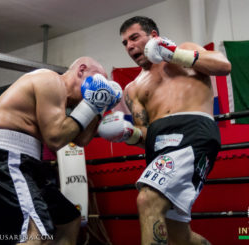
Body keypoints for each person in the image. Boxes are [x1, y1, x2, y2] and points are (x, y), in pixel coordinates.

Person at [98, 16, 231, 244]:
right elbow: (146, 135)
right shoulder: (132, 89)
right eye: (125, 43)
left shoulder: (185, 52)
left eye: (134, 37)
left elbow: (223, 66)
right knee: (179, 236)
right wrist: (128, 134)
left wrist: (174, 54)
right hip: (159, 147)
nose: (129, 46)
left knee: (147, 200)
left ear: (153, 36)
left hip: (193, 132)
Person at [0, 56, 121, 245]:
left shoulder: (65, 102)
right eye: (98, 80)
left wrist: (98, 107)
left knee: (68, 219)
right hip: (5, 156)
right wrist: (91, 104)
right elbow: (55, 138)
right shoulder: (51, 80)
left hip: (24, 161)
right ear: (81, 70)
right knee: (35, 232)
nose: (100, 87)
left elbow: (81, 139)